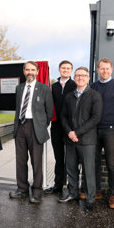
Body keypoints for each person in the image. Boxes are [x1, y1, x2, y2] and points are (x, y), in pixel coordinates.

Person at [9, 61, 53, 204]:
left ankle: (37, 191)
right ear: (23, 72)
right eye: (27, 69)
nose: (30, 72)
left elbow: (49, 111)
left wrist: (41, 125)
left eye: (32, 70)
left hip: (36, 127)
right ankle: (22, 188)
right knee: (21, 161)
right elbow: (17, 107)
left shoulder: (44, 88)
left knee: (36, 161)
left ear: (37, 72)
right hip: (21, 126)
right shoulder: (19, 88)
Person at [59, 67, 102, 212]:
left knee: (88, 172)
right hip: (70, 139)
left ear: (88, 78)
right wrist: (69, 132)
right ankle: (73, 194)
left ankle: (90, 200)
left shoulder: (95, 95)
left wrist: (77, 132)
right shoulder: (70, 96)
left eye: (83, 75)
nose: (80, 78)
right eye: (77, 75)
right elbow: (63, 116)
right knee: (71, 169)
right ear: (74, 77)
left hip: (87, 140)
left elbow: (95, 118)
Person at [91, 58, 114, 209]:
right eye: (102, 68)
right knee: (94, 163)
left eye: (107, 68)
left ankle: (113, 195)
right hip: (94, 130)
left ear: (111, 69)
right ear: (98, 70)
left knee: (111, 164)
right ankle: (97, 191)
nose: (104, 71)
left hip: (111, 131)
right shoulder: (93, 86)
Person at [45, 60, 77, 195]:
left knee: (71, 158)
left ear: (71, 70)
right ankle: (58, 185)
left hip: (70, 127)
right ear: (59, 69)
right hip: (56, 126)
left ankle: (71, 186)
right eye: (63, 68)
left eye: (68, 68)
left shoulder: (75, 85)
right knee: (59, 157)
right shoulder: (53, 86)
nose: (65, 70)